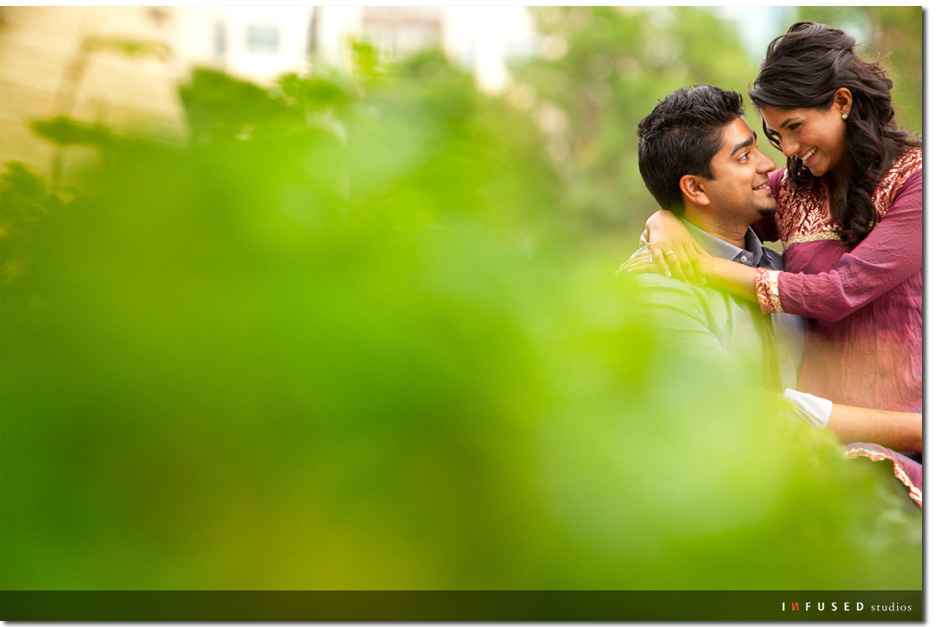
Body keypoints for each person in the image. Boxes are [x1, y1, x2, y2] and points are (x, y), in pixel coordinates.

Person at [621, 84, 921, 507]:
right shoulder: (655, 290)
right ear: (697, 189)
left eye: (761, 148)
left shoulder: (786, 274)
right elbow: (743, 413)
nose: (769, 165)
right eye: (743, 157)